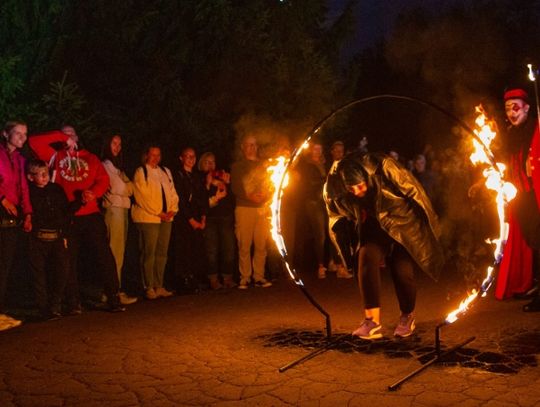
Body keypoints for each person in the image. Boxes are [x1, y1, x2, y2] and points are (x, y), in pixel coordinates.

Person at [324, 151, 443, 339]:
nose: (357, 192)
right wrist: (345, 255)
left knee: (401, 269)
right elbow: (334, 216)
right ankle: (372, 321)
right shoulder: (334, 184)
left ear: (367, 177)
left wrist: (432, 227)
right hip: (373, 225)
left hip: (401, 221)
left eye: (360, 186)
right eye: (351, 189)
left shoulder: (385, 167)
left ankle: (407, 315)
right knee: (366, 258)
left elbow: (415, 192)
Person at [29, 125, 126, 313]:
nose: (67, 137)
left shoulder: (90, 157)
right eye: (64, 134)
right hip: (68, 215)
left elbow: (103, 179)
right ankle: (73, 302)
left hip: (90, 213)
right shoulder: (55, 156)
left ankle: (113, 297)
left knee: (103, 255)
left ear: (78, 137)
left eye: (71, 134)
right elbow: (33, 141)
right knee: (68, 260)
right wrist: (61, 137)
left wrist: (94, 193)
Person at [495, 87, 540, 312]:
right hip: (519, 197)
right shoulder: (510, 134)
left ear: (527, 108)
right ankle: (529, 284)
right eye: (508, 108)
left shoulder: (536, 128)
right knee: (531, 242)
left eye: (516, 107)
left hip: (536, 195)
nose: (512, 112)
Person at [26, 159, 71, 320]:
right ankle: (44, 308)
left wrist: (65, 234)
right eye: (41, 174)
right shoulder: (29, 192)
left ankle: (55, 303)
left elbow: (65, 212)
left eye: (47, 173)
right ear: (31, 177)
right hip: (37, 238)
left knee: (62, 270)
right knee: (38, 274)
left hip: (56, 236)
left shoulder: (56, 189)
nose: (45, 177)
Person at [131, 145, 178, 300]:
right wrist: (158, 212)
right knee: (148, 252)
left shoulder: (165, 171)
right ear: (146, 156)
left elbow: (172, 192)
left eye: (158, 155)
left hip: (166, 218)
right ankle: (148, 286)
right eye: (152, 155)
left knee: (162, 253)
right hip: (149, 218)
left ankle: (159, 284)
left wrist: (172, 209)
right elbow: (142, 197)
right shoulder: (141, 172)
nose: (155, 158)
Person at [0, 121, 32, 331]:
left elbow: (23, 188)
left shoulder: (20, 160)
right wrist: (3, 199)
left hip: (13, 218)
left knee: (6, 265)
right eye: (18, 133)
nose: (22, 137)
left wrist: (28, 213)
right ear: (5, 134)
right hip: (2, 210)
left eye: (25, 134)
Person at [230, 135, 272, 289]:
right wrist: (249, 196)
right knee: (244, 244)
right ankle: (245, 277)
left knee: (261, 244)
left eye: (254, 145)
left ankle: (259, 276)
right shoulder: (237, 166)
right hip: (244, 208)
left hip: (262, 208)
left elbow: (270, 183)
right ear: (243, 147)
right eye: (249, 145)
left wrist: (265, 195)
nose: (252, 148)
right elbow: (235, 187)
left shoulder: (264, 165)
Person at [101, 134, 137, 305]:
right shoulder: (105, 165)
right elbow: (119, 187)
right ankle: (112, 291)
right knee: (115, 251)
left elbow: (131, 188)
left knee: (119, 252)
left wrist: (126, 187)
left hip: (122, 208)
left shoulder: (118, 167)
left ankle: (115, 288)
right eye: (114, 143)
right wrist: (126, 187)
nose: (117, 147)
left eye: (119, 144)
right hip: (114, 209)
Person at [198, 152, 236, 289]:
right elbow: (201, 201)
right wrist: (208, 185)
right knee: (211, 250)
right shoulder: (199, 179)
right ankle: (213, 279)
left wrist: (227, 183)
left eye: (212, 161)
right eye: (207, 162)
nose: (210, 164)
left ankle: (227, 278)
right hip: (210, 218)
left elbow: (231, 199)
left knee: (229, 248)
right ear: (201, 164)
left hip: (226, 217)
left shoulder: (222, 177)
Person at [172, 147, 208, 293]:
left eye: (193, 156)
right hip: (184, 219)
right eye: (187, 156)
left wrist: (203, 217)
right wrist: (191, 220)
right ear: (181, 158)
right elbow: (180, 199)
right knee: (184, 250)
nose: (190, 159)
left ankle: (194, 279)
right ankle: (183, 281)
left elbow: (203, 198)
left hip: (198, 217)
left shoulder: (197, 176)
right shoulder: (178, 175)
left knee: (195, 250)